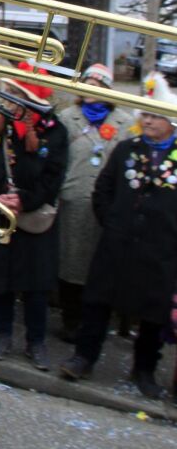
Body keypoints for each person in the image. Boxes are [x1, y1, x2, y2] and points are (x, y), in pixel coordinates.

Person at [60, 72, 177, 400]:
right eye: (146, 115)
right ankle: (84, 357)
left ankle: (144, 369)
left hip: (160, 249)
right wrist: (112, 221)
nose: (149, 121)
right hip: (117, 242)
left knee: (152, 313)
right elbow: (104, 188)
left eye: (156, 116)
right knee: (97, 302)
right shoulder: (128, 148)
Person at [0, 66, 68, 371]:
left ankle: (36, 342)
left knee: (36, 286)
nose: (8, 100)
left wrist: (24, 200)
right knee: (1, 281)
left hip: (33, 218)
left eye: (15, 95)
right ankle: (2, 336)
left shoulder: (55, 132)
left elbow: (53, 179)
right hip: (4, 214)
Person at [55, 64, 135, 342]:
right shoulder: (68, 118)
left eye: (97, 84)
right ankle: (70, 319)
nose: (91, 89)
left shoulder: (125, 122)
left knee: (98, 265)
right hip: (72, 201)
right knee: (70, 261)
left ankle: (96, 322)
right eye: (87, 83)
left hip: (105, 208)